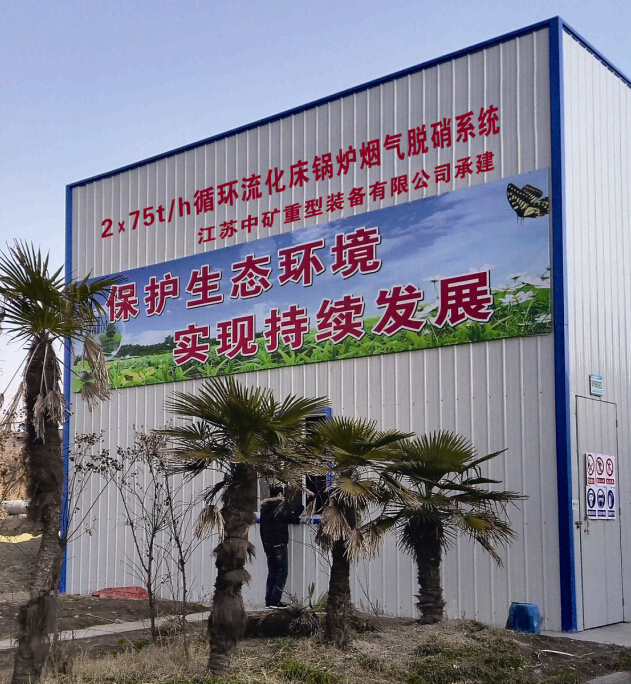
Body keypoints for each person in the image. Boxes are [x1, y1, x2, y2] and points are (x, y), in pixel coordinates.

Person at [259, 486, 303, 608]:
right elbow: (293, 518)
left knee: (272, 572)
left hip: (268, 544)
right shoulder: (281, 506)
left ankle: (268, 601)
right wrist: (299, 505)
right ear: (279, 494)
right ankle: (275, 600)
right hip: (279, 543)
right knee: (282, 572)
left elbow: (261, 529)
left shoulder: (264, 508)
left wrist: (264, 544)